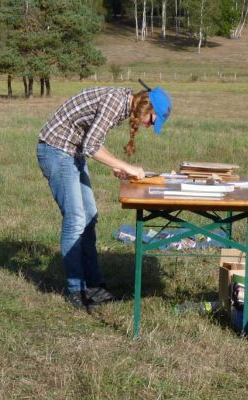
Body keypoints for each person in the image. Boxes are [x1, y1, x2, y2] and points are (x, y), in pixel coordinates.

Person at [36, 83, 172, 311]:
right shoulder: (115, 102)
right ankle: (75, 290)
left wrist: (116, 166)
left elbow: (93, 142)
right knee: (76, 219)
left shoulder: (121, 104)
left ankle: (94, 285)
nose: (149, 126)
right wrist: (126, 166)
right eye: (152, 120)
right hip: (56, 152)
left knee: (90, 216)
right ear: (145, 107)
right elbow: (91, 146)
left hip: (72, 153)